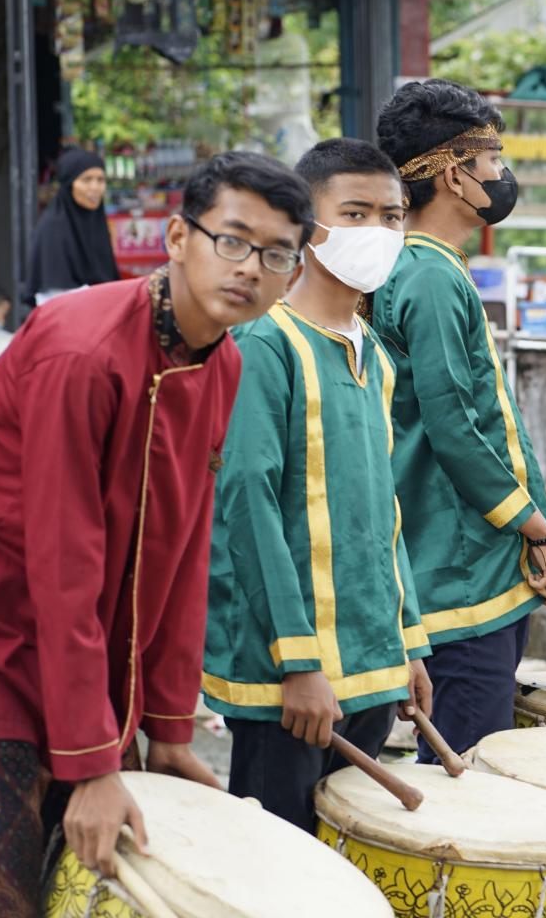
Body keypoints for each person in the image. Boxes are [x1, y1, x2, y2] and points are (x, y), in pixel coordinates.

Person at [0, 152, 312, 913]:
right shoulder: (82, 350)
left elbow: (183, 551)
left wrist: (170, 725)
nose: (251, 267)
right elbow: (63, 565)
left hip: (86, 649)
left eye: (277, 254)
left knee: (93, 878)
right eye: (233, 240)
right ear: (178, 237)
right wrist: (91, 762)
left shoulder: (222, 366)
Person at [202, 138, 432, 833]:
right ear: (307, 225)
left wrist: (408, 644)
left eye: (391, 216)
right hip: (292, 681)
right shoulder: (264, 344)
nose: (378, 232)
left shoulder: (374, 354)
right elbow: (247, 507)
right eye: (355, 213)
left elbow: (384, 510)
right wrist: (296, 662)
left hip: (371, 667)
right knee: (277, 862)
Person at [373, 79, 546, 761]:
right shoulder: (429, 276)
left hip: (465, 562)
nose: (501, 174)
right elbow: (456, 427)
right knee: (470, 775)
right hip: (462, 575)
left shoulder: (425, 266)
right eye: (492, 159)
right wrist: (538, 529)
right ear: (453, 174)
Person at [25, 147, 120, 305]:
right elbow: (53, 293)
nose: (95, 187)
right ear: (69, 184)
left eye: (100, 180)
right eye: (86, 180)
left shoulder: (97, 224)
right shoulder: (53, 228)